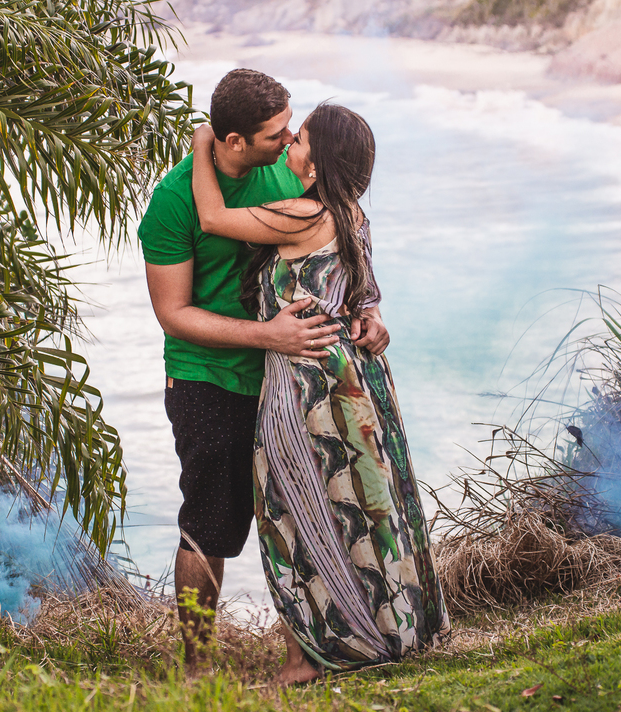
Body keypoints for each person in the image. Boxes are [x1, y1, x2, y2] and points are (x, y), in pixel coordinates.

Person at [188, 103, 450, 685]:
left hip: (305, 387)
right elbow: (365, 294)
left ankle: (309, 655)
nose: (289, 145)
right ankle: (393, 626)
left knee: (292, 509)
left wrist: (204, 139)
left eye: (300, 139)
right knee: (364, 505)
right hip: (358, 383)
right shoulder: (352, 213)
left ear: (319, 160)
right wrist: (372, 318)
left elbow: (210, 216)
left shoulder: (302, 215)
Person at [138, 69, 391, 670]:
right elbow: (173, 314)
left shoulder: (290, 169)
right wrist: (266, 335)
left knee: (305, 518)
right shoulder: (173, 203)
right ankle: (197, 666)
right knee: (209, 526)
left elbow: (338, 242)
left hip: (294, 383)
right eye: (277, 133)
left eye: (291, 131)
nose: (289, 140)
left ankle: (315, 651)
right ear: (234, 141)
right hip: (210, 379)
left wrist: (370, 309)